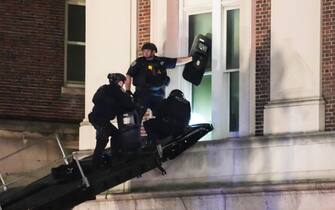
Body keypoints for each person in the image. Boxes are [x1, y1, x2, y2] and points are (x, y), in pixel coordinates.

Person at [125, 42, 193, 124]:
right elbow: (128, 75)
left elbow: (177, 61)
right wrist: (128, 90)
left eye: (148, 50)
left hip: (158, 94)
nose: (145, 53)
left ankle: (159, 135)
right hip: (142, 94)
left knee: (163, 117)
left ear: (153, 52)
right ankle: (133, 136)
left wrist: (192, 59)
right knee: (136, 118)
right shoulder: (139, 62)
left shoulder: (161, 61)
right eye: (144, 51)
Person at [88, 73, 135, 167]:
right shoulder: (117, 91)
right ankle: (98, 163)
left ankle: (101, 160)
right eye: (123, 83)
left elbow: (95, 99)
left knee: (114, 135)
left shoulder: (104, 88)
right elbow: (129, 105)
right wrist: (127, 94)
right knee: (103, 140)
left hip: (95, 117)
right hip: (102, 120)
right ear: (120, 82)